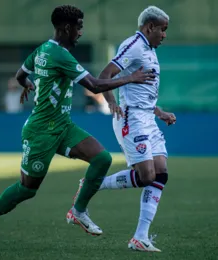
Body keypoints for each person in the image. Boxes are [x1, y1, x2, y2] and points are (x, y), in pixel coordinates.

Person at [0, 4, 155, 248]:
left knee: (102, 158)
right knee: (27, 189)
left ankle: (78, 211)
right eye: (78, 28)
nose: (81, 32)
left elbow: (20, 74)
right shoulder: (60, 55)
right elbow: (94, 85)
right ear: (66, 28)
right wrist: (130, 78)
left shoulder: (41, 50)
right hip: (41, 132)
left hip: (63, 126)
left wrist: (27, 84)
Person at [70, 6, 176, 252]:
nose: (164, 35)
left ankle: (140, 237)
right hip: (132, 118)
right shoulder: (134, 45)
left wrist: (158, 111)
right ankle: (92, 183)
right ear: (150, 27)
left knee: (160, 174)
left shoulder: (149, 49)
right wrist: (111, 102)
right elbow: (104, 75)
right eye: (162, 29)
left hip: (148, 117)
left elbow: (142, 91)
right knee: (146, 176)